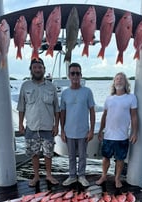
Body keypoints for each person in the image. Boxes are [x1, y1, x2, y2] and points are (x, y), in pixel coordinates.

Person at [17, 58, 60, 187]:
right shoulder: (25, 86)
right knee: (34, 154)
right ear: (31, 70)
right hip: (32, 127)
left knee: (48, 153)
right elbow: (21, 107)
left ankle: (48, 175)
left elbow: (57, 109)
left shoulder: (51, 87)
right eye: (35, 67)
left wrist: (56, 125)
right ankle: (36, 176)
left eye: (40, 67)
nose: (37, 70)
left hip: (47, 127)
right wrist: (20, 124)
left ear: (44, 69)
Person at [96, 72, 138, 189]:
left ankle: (117, 178)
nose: (119, 81)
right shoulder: (109, 99)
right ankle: (104, 176)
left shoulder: (131, 97)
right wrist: (100, 131)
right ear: (114, 83)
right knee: (105, 158)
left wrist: (135, 132)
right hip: (108, 135)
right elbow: (104, 116)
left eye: (121, 79)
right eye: (117, 79)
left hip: (122, 136)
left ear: (125, 83)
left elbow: (134, 116)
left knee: (120, 160)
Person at [60, 62, 95, 187]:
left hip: (83, 131)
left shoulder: (87, 92)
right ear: (69, 75)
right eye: (72, 73)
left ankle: (81, 176)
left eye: (77, 73)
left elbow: (91, 111)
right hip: (69, 131)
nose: (75, 76)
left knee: (82, 156)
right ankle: (72, 176)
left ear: (81, 75)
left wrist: (91, 130)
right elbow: (62, 113)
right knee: (71, 156)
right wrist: (62, 130)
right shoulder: (64, 93)